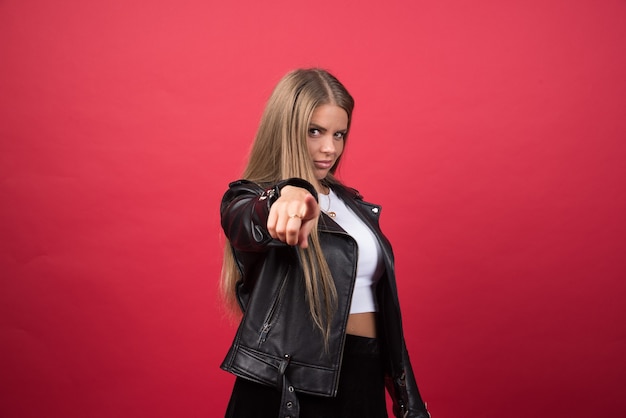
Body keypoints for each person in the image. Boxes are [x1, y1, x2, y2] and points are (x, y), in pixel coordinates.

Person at [219, 68, 430, 418]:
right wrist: (284, 195)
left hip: (363, 375)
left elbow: (385, 316)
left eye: (339, 134)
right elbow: (246, 221)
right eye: (314, 131)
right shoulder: (251, 197)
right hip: (289, 387)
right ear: (286, 129)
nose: (329, 147)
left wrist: (409, 400)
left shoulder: (354, 205)